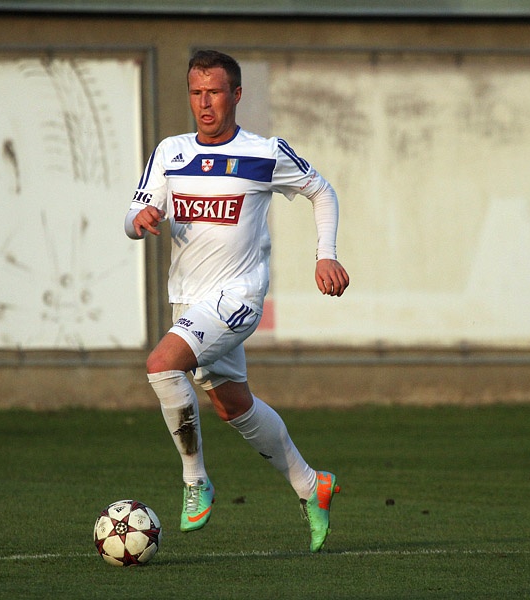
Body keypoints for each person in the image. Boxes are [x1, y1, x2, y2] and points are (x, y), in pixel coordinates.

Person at [125, 50, 350, 553]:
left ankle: (194, 480)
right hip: (188, 300)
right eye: (196, 93)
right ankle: (311, 485)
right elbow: (137, 209)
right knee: (232, 406)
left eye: (215, 92)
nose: (204, 104)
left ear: (237, 95)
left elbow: (322, 191)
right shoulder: (171, 151)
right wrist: (137, 223)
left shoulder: (264, 152)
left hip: (239, 296)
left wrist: (325, 255)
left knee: (162, 365)